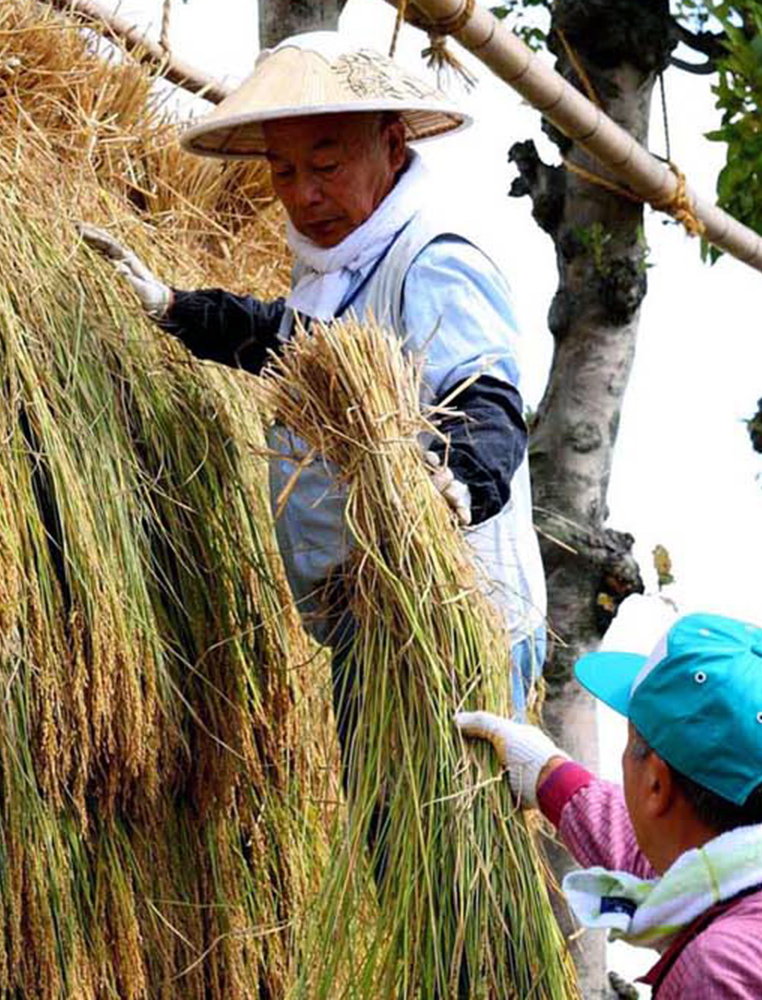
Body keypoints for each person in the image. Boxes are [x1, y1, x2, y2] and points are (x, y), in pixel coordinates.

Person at [82, 31, 546, 728]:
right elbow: (293, 344)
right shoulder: (335, 266)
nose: (304, 195)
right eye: (283, 171)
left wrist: (460, 481)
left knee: (426, 828)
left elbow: (486, 397)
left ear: (392, 145)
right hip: (368, 625)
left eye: (325, 165)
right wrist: (178, 309)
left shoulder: (434, 258)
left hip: (453, 627)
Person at [457, 612, 762, 999]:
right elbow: (658, 857)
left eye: (629, 742)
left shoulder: (716, 975)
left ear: (656, 783)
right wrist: (544, 771)